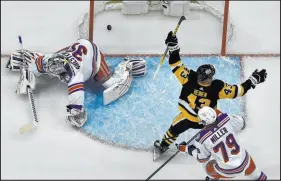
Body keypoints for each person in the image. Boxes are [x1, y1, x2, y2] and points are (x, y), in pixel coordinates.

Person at [154, 31, 267, 155]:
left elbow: (175, 63)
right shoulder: (217, 87)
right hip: (210, 120)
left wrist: (173, 47)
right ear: (210, 77)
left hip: (188, 117)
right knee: (225, 127)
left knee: (173, 130)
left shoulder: (189, 77)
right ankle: (236, 124)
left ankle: (163, 146)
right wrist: (253, 80)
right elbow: (238, 91)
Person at [7, 38, 146, 127]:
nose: (57, 73)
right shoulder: (50, 61)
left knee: (110, 83)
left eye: (59, 72)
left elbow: (77, 111)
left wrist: (74, 113)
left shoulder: (74, 76)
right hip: (75, 48)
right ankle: (30, 55)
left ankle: (127, 67)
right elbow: (36, 65)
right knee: (46, 62)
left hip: (93, 57)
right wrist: (27, 77)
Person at [176, 106, 267, 180]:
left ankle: (212, 178)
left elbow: (202, 159)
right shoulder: (226, 119)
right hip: (245, 162)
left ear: (202, 121)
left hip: (228, 171)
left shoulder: (201, 139)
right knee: (256, 175)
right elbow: (242, 123)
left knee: (206, 165)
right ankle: (258, 176)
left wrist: (186, 148)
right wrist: (216, 112)